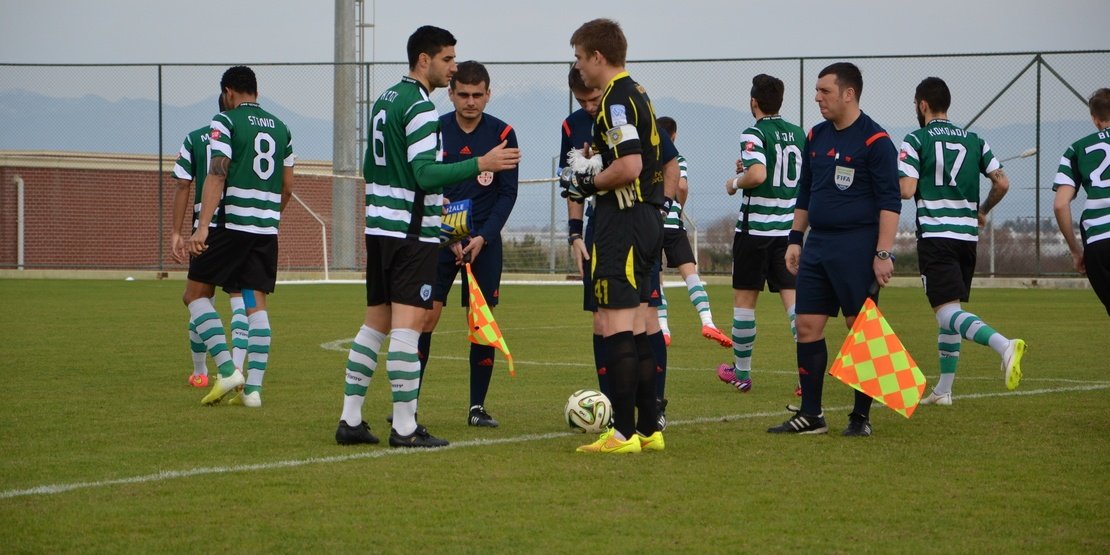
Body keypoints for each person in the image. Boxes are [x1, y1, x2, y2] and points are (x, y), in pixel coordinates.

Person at [334, 26, 520, 448]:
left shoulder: (385, 99)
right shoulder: (418, 105)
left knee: (374, 324)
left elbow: (371, 167)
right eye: (448, 60)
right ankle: (404, 428)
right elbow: (425, 175)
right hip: (409, 234)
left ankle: (350, 419)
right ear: (425, 60)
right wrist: (481, 163)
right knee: (409, 326)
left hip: (380, 228)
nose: (453, 69)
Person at [766, 62, 900, 437]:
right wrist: (795, 238)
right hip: (818, 245)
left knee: (861, 329)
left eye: (824, 91)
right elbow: (805, 191)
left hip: (858, 246)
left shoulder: (876, 141)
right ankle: (811, 415)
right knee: (807, 325)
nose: (817, 97)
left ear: (848, 93)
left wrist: (883, 253)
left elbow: (891, 202)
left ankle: (860, 417)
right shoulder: (816, 135)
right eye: (817, 91)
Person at [563, 18, 664, 454]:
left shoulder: (614, 101)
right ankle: (648, 429)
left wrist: (588, 182)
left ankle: (622, 434)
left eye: (580, 58)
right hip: (646, 219)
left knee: (617, 327)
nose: (579, 68)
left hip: (622, 221)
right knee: (641, 325)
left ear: (598, 57)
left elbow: (629, 167)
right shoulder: (637, 90)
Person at [899, 76, 1026, 405]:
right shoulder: (975, 141)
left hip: (936, 236)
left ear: (922, 104)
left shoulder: (915, 139)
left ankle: (1003, 344)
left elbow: (907, 190)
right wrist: (981, 210)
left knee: (945, 314)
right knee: (952, 309)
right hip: (965, 239)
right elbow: (1002, 183)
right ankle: (944, 390)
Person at [184, 65, 295, 409]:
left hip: (230, 226)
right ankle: (254, 392)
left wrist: (203, 226)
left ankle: (229, 369)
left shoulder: (226, 121)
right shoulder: (282, 128)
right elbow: (288, 185)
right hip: (265, 229)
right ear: (256, 92)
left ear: (229, 92)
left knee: (195, 296)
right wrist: (270, 215)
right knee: (255, 305)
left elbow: (217, 175)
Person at [419, 61, 519, 428]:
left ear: (488, 94)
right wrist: (447, 235)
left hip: (484, 245)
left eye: (478, 95)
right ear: (451, 93)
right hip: (439, 243)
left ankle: (477, 408)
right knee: (425, 317)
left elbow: (507, 195)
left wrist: (482, 237)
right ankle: (407, 405)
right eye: (463, 94)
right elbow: (426, 183)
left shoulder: (504, 133)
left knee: (481, 322)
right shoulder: (434, 130)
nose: (471, 102)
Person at [715, 74, 805, 395]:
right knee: (795, 307)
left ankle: (742, 374)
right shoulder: (798, 134)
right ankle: (805, 376)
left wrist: (734, 182)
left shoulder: (753, 131)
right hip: (789, 234)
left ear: (754, 102)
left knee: (744, 304)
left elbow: (758, 173)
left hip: (755, 232)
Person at [171, 95, 249, 389]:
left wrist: (177, 232)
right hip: (244, 227)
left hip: (207, 228)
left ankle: (201, 372)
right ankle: (238, 366)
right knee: (243, 298)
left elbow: (182, 183)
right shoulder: (249, 136)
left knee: (200, 297)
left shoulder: (195, 138)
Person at [654, 116, 732, 350]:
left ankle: (663, 329)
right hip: (673, 223)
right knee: (691, 275)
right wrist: (679, 207)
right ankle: (707, 321)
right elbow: (682, 186)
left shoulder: (647, 155)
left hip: (652, 223)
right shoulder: (677, 158)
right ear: (674, 136)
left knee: (656, 279)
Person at [1053, 87, 1110, 316]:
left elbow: (1060, 204)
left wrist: (1077, 251)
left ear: (1095, 119)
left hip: (1098, 242)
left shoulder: (1076, 149)